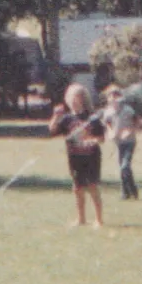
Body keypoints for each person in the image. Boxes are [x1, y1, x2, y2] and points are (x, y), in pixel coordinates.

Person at [49, 83, 105, 228]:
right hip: (74, 157)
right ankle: (81, 219)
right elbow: (53, 130)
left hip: (91, 157)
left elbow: (101, 138)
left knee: (92, 186)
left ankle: (99, 219)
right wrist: (55, 116)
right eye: (71, 97)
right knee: (77, 188)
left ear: (83, 99)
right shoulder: (67, 119)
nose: (74, 100)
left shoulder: (92, 117)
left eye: (77, 97)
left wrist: (91, 141)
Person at [102, 86, 140, 200]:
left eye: (116, 96)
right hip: (119, 142)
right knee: (123, 168)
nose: (113, 98)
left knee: (125, 166)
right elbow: (107, 124)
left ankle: (128, 191)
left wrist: (130, 131)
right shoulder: (108, 112)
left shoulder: (128, 110)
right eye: (111, 96)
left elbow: (137, 122)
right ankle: (129, 191)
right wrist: (110, 132)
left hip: (129, 142)